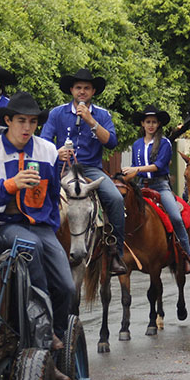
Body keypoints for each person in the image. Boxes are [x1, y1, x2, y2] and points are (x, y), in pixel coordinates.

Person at [0, 92, 76, 343]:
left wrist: (50, 225)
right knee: (31, 245)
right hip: (2, 226)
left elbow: (52, 196)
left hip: (40, 226)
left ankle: (59, 335)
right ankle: (44, 332)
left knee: (67, 286)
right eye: (21, 121)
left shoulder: (47, 150)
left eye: (32, 122)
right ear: (7, 120)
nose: (27, 128)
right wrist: (9, 185)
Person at [41, 68, 127, 276]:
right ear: (71, 90)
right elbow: (43, 141)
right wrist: (56, 152)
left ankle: (115, 252)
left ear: (93, 92)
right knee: (40, 195)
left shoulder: (102, 115)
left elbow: (111, 142)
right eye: (78, 88)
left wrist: (91, 121)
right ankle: (42, 246)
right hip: (63, 168)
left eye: (86, 88)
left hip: (90, 170)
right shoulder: (56, 113)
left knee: (116, 199)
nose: (82, 92)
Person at [123, 104, 190, 272]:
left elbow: (159, 165)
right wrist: (123, 176)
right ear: (142, 123)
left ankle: (186, 257)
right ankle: (120, 253)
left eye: (154, 122)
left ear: (158, 124)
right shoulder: (136, 145)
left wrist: (136, 169)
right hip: (140, 186)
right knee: (123, 212)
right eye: (147, 121)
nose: (150, 125)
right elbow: (135, 168)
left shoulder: (165, 143)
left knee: (176, 218)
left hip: (160, 186)